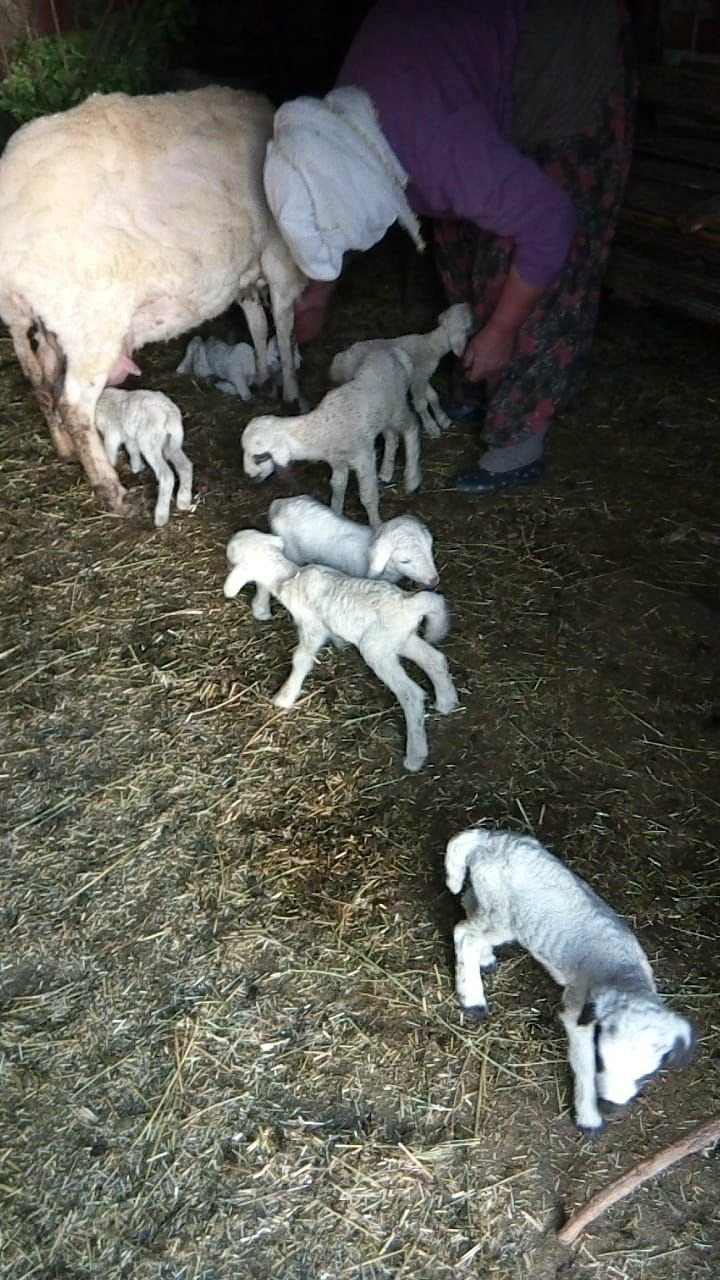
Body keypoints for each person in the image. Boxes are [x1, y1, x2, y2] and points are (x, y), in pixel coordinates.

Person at [264, 0, 636, 495]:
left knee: (527, 256)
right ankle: (475, 380)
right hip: (460, 71)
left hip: (561, 44)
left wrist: (502, 329)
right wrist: (318, 293)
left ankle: (519, 437)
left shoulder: (444, 149)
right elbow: (334, 206)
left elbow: (552, 221)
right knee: (458, 234)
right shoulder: (338, 123)